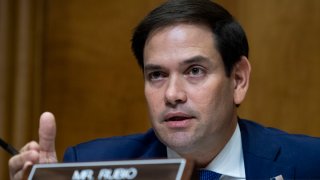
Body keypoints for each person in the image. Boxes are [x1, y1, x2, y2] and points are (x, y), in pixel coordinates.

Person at [8, 0, 320, 179]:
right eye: (157, 74)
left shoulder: (310, 163)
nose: (172, 94)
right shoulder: (95, 166)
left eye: (194, 71)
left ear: (238, 80)